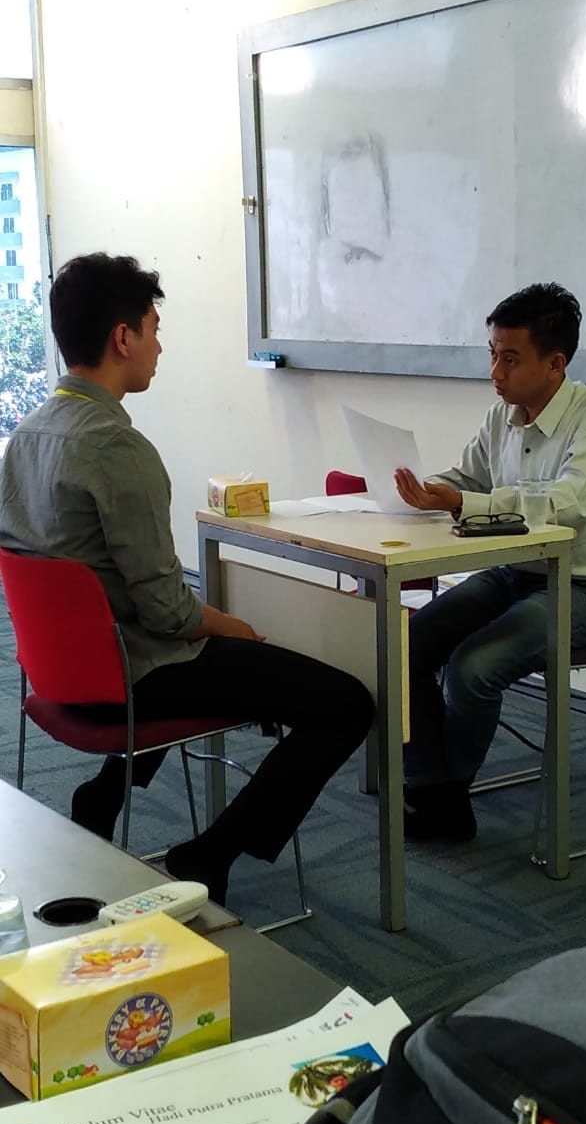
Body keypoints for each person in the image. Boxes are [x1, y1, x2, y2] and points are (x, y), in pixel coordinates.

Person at [0, 253, 374, 903]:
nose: (159, 347)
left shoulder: (25, 436)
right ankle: (209, 853)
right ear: (123, 337)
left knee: (190, 645)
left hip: (58, 675)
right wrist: (230, 626)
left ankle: (105, 791)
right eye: (153, 329)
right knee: (346, 704)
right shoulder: (117, 447)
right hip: (127, 680)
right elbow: (170, 615)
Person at [394, 282, 586, 842]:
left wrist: (463, 501)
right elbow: (467, 479)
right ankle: (433, 787)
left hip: (585, 588)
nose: (495, 373)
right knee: (404, 645)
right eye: (492, 355)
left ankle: (445, 800)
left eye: (510, 358)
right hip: (512, 573)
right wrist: (423, 489)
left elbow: (566, 505)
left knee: (472, 668)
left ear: (555, 363)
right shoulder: (502, 415)